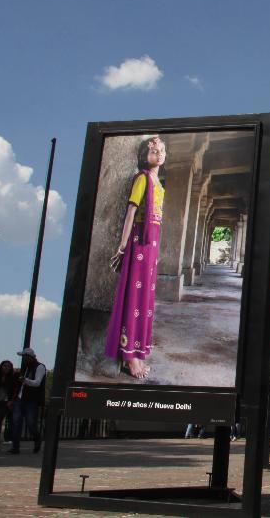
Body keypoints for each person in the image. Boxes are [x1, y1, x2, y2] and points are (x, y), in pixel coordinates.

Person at [104, 136, 167, 379]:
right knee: (134, 299)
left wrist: (156, 251)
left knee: (146, 302)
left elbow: (157, 220)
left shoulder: (158, 183)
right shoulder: (142, 179)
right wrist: (123, 244)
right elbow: (132, 210)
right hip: (139, 242)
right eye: (153, 151)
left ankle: (139, 351)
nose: (158, 154)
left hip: (151, 245)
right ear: (144, 156)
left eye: (161, 151)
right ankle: (129, 356)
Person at [9, 347, 46, 454]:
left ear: (30, 357)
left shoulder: (40, 367)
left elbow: (37, 383)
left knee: (31, 423)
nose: (23, 359)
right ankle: (15, 447)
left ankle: (37, 437)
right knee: (16, 422)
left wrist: (25, 380)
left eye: (24, 357)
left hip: (31, 400)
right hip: (21, 398)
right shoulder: (26, 368)